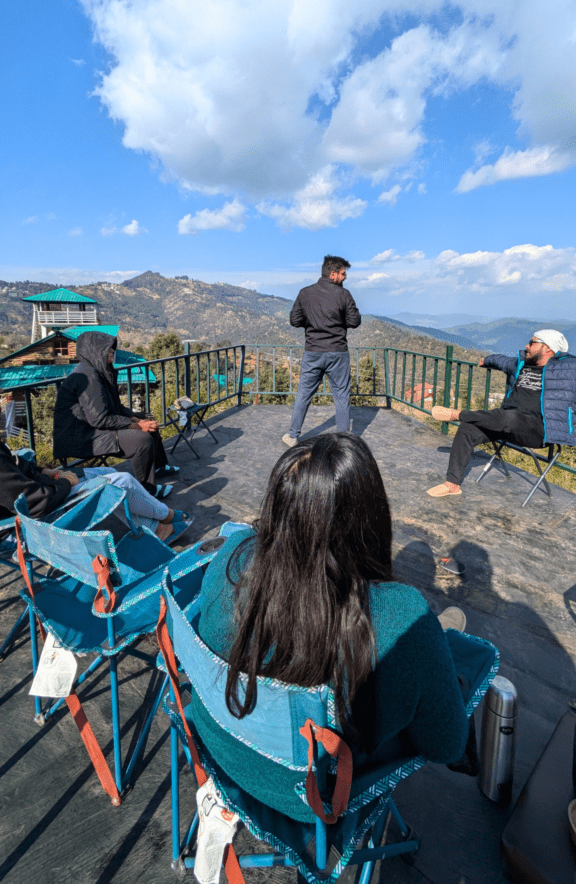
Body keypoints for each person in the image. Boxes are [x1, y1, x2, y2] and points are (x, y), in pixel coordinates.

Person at [194, 432, 475, 821]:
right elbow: (446, 745)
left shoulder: (233, 555)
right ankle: (441, 655)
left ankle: (434, 657)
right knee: (457, 665)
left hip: (219, 747)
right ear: (371, 517)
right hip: (312, 798)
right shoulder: (401, 616)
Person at [427, 329, 575, 497]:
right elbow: (501, 360)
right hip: (505, 423)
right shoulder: (521, 364)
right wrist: (487, 360)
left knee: (510, 417)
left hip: (539, 431)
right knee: (467, 429)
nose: (527, 346)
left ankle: (459, 414)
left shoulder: (569, 371)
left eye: (532, 343)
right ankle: (452, 485)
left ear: (547, 349)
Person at [53, 331, 178, 498]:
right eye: (108, 352)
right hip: (82, 437)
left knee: (147, 420)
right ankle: (147, 493)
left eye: (113, 351)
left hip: (93, 428)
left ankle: (158, 467)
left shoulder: (99, 372)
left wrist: (135, 418)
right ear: (96, 352)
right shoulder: (87, 376)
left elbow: (115, 406)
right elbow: (100, 419)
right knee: (142, 440)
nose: (112, 355)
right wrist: (136, 425)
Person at [0, 440, 190, 542]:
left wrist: (45, 471)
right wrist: (65, 482)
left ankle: (152, 527)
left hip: (44, 488)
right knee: (121, 482)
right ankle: (165, 516)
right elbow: (36, 504)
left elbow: (17, 464)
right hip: (35, 519)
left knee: (108, 471)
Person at [282, 255, 361, 447]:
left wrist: (311, 323)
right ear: (333, 274)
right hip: (338, 352)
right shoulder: (344, 295)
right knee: (341, 395)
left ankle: (292, 436)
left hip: (313, 351)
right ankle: (343, 440)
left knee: (304, 393)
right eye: (343, 274)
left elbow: (295, 320)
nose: (345, 277)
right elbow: (354, 322)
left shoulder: (305, 293)